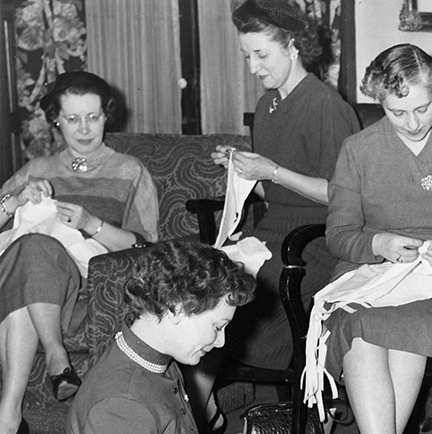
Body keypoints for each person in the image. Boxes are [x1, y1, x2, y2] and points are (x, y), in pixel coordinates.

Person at [317, 43, 432, 434]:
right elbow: (339, 234)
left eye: (423, 108)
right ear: (378, 101)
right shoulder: (358, 150)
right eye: (396, 113)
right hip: (371, 273)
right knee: (359, 326)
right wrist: (377, 244)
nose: (414, 123)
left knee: (394, 327)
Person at [197, 0, 359, 429]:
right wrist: (241, 169)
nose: (253, 67)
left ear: (293, 46)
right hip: (272, 233)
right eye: (246, 56)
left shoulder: (326, 105)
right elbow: (276, 190)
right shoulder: (267, 107)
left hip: (317, 241)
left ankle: (231, 407)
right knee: (201, 281)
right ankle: (205, 405)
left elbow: (343, 195)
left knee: (232, 296)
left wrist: (269, 169)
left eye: (261, 55)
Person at [0, 70, 159, 434]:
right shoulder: (38, 170)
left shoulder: (129, 171)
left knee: (31, 256)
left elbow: (146, 247)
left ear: (107, 115)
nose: (84, 129)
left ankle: (9, 413)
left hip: (90, 293)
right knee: (30, 252)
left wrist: (91, 223)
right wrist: (16, 200)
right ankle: (53, 365)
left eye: (93, 117)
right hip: (34, 284)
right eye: (72, 119)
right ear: (56, 119)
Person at [66, 241, 256, 433]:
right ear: (177, 309)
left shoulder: (158, 360)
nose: (220, 341)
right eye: (217, 327)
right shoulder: (122, 406)